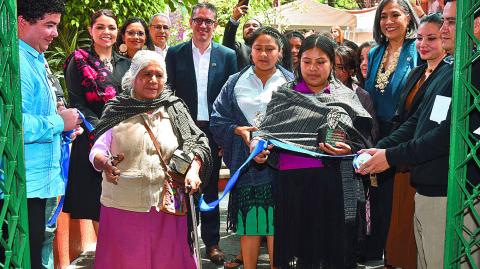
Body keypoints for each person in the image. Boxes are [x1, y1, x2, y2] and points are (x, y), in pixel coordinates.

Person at [358, 1, 480, 267]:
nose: (444, 28)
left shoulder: (474, 71)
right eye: (444, 21)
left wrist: (391, 156)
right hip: (426, 189)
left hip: (454, 195)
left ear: (476, 24)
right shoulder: (449, 70)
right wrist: (380, 148)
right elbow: (416, 121)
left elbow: (449, 135)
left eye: (450, 22)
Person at [251, 34, 373, 269]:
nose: (313, 68)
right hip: (291, 186)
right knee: (296, 255)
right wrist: (256, 147)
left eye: (321, 62)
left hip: (331, 185)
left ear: (331, 64)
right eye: (307, 61)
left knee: (331, 251)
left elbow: (364, 140)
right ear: (298, 62)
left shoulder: (346, 97)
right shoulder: (284, 95)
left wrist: (351, 150)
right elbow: (263, 131)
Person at [89, 50, 212, 269]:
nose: (153, 80)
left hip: (167, 205)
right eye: (146, 74)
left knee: (168, 261)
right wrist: (104, 162)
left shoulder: (174, 107)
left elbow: (197, 143)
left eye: (159, 75)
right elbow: (98, 147)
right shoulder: (117, 108)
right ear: (133, 77)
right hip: (123, 205)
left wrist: (193, 169)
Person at [211, 27, 294, 269]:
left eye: (270, 49)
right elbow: (218, 119)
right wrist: (237, 131)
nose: (264, 54)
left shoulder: (291, 82)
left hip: (281, 165)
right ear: (251, 51)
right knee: (250, 224)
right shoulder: (234, 82)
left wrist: (273, 139)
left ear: (280, 53)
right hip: (246, 166)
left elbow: (300, 121)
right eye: (258, 48)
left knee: (277, 227)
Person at [165, 2, 238, 265]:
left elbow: (231, 97)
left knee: (208, 188)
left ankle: (212, 243)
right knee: (182, 186)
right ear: (191, 23)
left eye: (208, 21)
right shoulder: (175, 53)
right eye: (198, 20)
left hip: (214, 130)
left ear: (215, 25)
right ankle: (184, 243)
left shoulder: (228, 55)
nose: (203, 26)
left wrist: (223, 136)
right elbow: (168, 93)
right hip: (183, 130)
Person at [15, 0, 82, 268]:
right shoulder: (18, 64)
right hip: (26, 188)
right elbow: (14, 126)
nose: (55, 33)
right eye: (49, 25)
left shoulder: (36, 58)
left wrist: (63, 127)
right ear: (22, 23)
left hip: (41, 184)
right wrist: (58, 123)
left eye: (56, 25)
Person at [384, 13, 446, 269]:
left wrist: (390, 153)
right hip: (406, 163)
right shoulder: (417, 72)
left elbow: (439, 130)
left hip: (428, 168)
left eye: (431, 38)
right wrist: (383, 148)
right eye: (420, 38)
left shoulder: (450, 75)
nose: (423, 44)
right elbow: (410, 120)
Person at [63, 9, 130, 234]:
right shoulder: (79, 61)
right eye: (100, 27)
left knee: (124, 201)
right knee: (97, 204)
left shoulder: (128, 65)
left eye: (111, 27)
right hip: (94, 139)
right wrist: (104, 129)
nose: (106, 32)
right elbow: (77, 102)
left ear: (117, 31)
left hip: (125, 140)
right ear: (90, 31)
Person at [362, 0, 420, 263]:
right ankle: (375, 249)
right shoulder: (375, 52)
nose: (389, 21)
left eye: (395, 14)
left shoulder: (417, 48)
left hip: (407, 131)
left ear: (408, 18)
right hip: (376, 129)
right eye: (383, 16)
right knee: (377, 194)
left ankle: (396, 253)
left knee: (400, 198)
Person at [335, 45, 379, 143]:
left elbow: (372, 132)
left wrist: (352, 146)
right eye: (332, 66)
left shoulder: (362, 96)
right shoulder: (321, 91)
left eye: (340, 67)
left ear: (351, 70)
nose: (335, 72)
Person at [223, 1, 262, 70]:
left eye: (255, 26)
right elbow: (228, 39)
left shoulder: (270, 49)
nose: (251, 28)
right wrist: (234, 19)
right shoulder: (238, 48)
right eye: (247, 26)